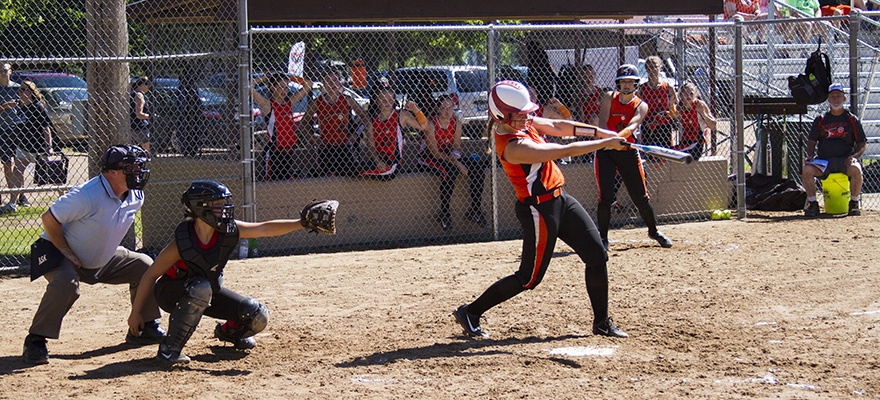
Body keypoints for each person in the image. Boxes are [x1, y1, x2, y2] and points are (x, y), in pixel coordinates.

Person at [452, 80, 629, 339]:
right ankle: (471, 311)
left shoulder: (522, 121)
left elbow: (559, 127)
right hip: (538, 210)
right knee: (529, 278)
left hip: (561, 200)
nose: (528, 117)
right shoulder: (513, 146)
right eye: (521, 113)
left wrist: (602, 134)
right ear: (503, 115)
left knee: (597, 255)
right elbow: (560, 149)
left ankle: (601, 322)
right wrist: (604, 144)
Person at [127, 181, 334, 364]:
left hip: (206, 292)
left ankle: (229, 332)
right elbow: (151, 275)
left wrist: (300, 223)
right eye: (218, 204)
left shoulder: (228, 229)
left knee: (256, 314)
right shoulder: (182, 241)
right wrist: (137, 314)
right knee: (201, 287)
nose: (224, 208)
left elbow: (263, 228)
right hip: (171, 292)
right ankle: (168, 350)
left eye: (224, 203)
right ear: (201, 207)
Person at [22, 145, 164, 365]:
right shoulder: (87, 194)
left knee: (145, 265)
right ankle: (35, 339)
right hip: (59, 252)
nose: (138, 171)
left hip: (100, 259)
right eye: (132, 167)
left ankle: (145, 327)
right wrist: (65, 251)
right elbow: (49, 218)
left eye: (139, 166)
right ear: (111, 172)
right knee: (66, 284)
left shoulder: (136, 195)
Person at [596, 64, 673, 250]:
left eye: (630, 83)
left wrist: (619, 137)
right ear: (618, 84)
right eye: (623, 83)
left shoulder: (641, 105)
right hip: (606, 151)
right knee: (605, 198)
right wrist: (610, 139)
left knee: (641, 198)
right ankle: (603, 238)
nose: (627, 86)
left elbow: (632, 126)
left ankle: (653, 231)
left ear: (636, 84)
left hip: (628, 152)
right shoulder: (608, 97)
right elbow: (603, 121)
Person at [418, 94, 488, 230]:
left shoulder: (457, 124)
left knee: (476, 167)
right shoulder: (431, 124)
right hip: (428, 158)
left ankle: (475, 210)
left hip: (449, 157)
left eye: (450, 108)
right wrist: (458, 164)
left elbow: (456, 148)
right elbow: (435, 153)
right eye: (444, 108)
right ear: (437, 109)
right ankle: (444, 212)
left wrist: (457, 160)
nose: (447, 111)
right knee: (449, 171)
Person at [803, 83, 866, 217]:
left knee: (857, 169)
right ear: (828, 100)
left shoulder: (851, 119)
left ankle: (853, 204)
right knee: (807, 169)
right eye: (833, 96)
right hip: (824, 162)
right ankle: (813, 205)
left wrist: (854, 156)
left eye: (839, 96)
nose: (836, 99)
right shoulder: (821, 119)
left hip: (844, 161)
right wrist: (810, 156)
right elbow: (811, 141)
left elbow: (862, 142)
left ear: (844, 99)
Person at [297, 69, 369, 177]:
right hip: (325, 147)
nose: (332, 83)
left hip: (344, 146)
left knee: (349, 178)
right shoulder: (318, 102)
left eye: (335, 80)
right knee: (327, 180)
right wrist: (312, 138)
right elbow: (303, 123)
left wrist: (355, 135)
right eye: (329, 81)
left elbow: (365, 117)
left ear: (339, 83)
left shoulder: (347, 100)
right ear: (324, 84)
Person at [0, 81, 54, 214]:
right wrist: (6, 106)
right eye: (19, 90)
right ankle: (12, 204)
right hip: (23, 147)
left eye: (23, 90)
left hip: (39, 147)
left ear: (31, 92)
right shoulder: (20, 107)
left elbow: (46, 128)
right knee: (17, 173)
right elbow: (11, 105)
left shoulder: (38, 107)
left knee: (53, 177)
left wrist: (49, 146)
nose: (20, 93)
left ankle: (63, 198)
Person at [360, 80, 427, 180]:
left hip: (392, 163)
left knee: (372, 174)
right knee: (355, 172)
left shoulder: (401, 115)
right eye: (383, 100)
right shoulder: (373, 121)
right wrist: (378, 161)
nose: (387, 103)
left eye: (390, 100)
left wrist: (416, 110)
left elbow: (424, 126)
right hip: (378, 161)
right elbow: (371, 146)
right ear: (377, 101)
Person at [251, 72, 312, 180]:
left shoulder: (289, 102)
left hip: (289, 152)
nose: (284, 90)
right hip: (275, 152)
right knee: (273, 183)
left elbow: (309, 84)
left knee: (285, 183)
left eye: (286, 87)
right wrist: (262, 78)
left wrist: (291, 78)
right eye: (280, 87)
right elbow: (249, 87)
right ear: (272, 88)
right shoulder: (268, 105)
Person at [639, 56, 678, 150]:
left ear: (660, 68)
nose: (652, 70)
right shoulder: (642, 89)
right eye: (649, 67)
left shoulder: (668, 87)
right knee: (650, 154)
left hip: (664, 125)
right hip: (648, 125)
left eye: (655, 66)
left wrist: (672, 111)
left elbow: (676, 107)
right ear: (646, 70)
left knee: (666, 153)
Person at [672, 81, 717, 162]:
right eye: (685, 93)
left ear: (695, 95)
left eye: (691, 93)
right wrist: (671, 103)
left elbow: (713, 125)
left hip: (697, 144)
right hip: (685, 141)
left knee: (671, 154)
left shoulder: (699, 105)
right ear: (681, 95)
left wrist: (703, 114)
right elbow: (673, 115)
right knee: (669, 153)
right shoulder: (680, 106)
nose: (688, 96)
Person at [0, 63, 20, 208]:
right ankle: (12, 193)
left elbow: (25, 104)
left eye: (5, 71)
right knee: (7, 163)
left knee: (19, 163)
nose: (3, 73)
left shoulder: (17, 87)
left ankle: (19, 196)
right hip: (2, 129)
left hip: (16, 128)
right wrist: (4, 106)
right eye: (1, 71)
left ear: (10, 71)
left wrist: (16, 104)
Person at [130, 76, 151, 151]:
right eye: (148, 86)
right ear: (142, 85)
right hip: (140, 128)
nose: (149, 88)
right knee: (149, 152)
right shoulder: (139, 95)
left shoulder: (131, 94)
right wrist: (151, 116)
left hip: (132, 127)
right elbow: (139, 114)